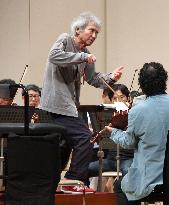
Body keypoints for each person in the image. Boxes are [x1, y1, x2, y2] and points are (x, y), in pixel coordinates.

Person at [40, 11, 123, 194]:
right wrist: (83, 58)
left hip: (68, 107)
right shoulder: (65, 40)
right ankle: (72, 179)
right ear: (78, 29)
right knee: (84, 138)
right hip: (55, 105)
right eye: (91, 30)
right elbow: (54, 56)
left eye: (96, 33)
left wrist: (111, 77)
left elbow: (93, 79)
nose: (94, 36)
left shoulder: (85, 53)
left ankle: (56, 186)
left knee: (64, 145)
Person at [105, 62, 169, 204]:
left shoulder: (139, 109)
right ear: (164, 80)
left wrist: (113, 131)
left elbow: (129, 142)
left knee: (120, 186)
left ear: (142, 84)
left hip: (152, 179)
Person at [87, 84, 133, 190]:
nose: (118, 101)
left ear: (128, 98)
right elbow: (106, 143)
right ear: (111, 101)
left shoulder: (133, 114)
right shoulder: (109, 115)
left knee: (128, 172)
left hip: (127, 159)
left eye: (122, 97)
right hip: (111, 160)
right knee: (84, 169)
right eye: (115, 98)